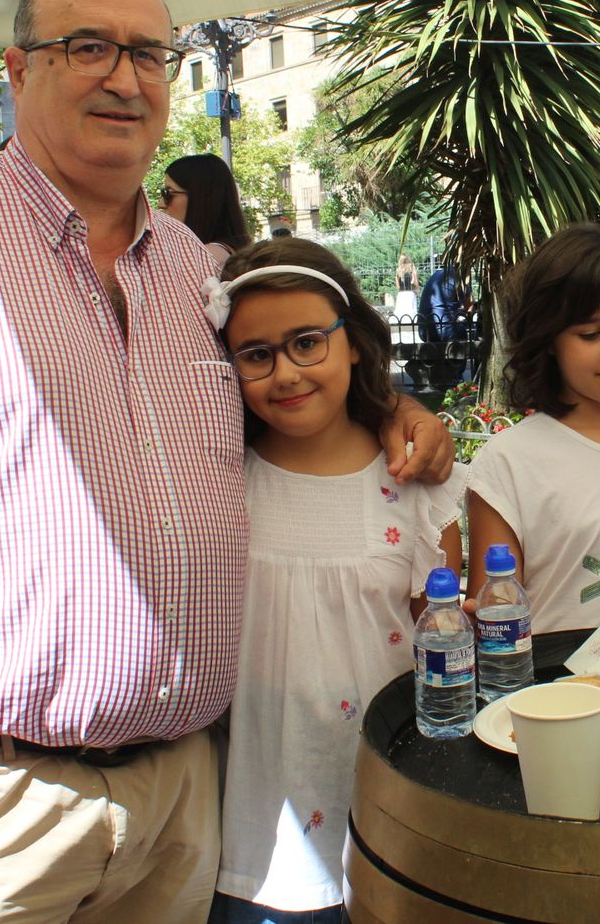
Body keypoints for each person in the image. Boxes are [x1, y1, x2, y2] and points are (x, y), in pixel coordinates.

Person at [0, 0, 451, 923]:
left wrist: (392, 407)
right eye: (89, 47)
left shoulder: (197, 276)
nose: (125, 77)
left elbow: (295, 382)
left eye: (150, 53)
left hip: (184, 796)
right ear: (17, 69)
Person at [205, 239, 467, 922]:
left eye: (307, 342)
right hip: (259, 839)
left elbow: (442, 649)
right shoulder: (219, 482)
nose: (286, 372)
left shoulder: (415, 490)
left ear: (353, 342)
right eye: (257, 354)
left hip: (393, 821)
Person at [466, 224, 600, 632]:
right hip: (555, 691)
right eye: (590, 333)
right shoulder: (510, 461)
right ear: (548, 338)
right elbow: (494, 614)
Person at [158, 153, 251, 269]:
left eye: (168, 193)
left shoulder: (206, 257)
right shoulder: (232, 254)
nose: (161, 204)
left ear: (200, 198)